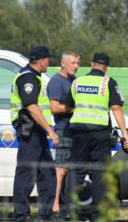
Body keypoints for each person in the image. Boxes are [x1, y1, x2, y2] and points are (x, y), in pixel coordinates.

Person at [65, 53, 128, 221]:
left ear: (91, 64)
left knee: (76, 173)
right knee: (100, 175)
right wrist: (125, 134)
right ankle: (97, 215)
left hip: (78, 134)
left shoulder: (77, 82)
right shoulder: (108, 82)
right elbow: (116, 108)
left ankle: (72, 214)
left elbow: (69, 106)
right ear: (106, 68)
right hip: (99, 136)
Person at [10, 46, 60, 222]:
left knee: (47, 175)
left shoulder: (35, 78)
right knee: (26, 175)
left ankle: (46, 214)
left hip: (37, 133)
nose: (49, 62)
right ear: (41, 60)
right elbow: (31, 106)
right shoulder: (27, 79)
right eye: (48, 59)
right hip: (30, 132)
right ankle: (21, 216)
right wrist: (51, 131)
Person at [47, 52, 80, 219]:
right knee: (60, 170)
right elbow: (55, 108)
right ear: (63, 63)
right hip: (63, 129)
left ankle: (69, 207)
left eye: (77, 63)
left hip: (75, 130)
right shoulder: (56, 82)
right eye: (73, 63)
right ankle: (55, 206)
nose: (76, 66)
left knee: (72, 170)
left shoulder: (74, 81)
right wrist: (77, 109)